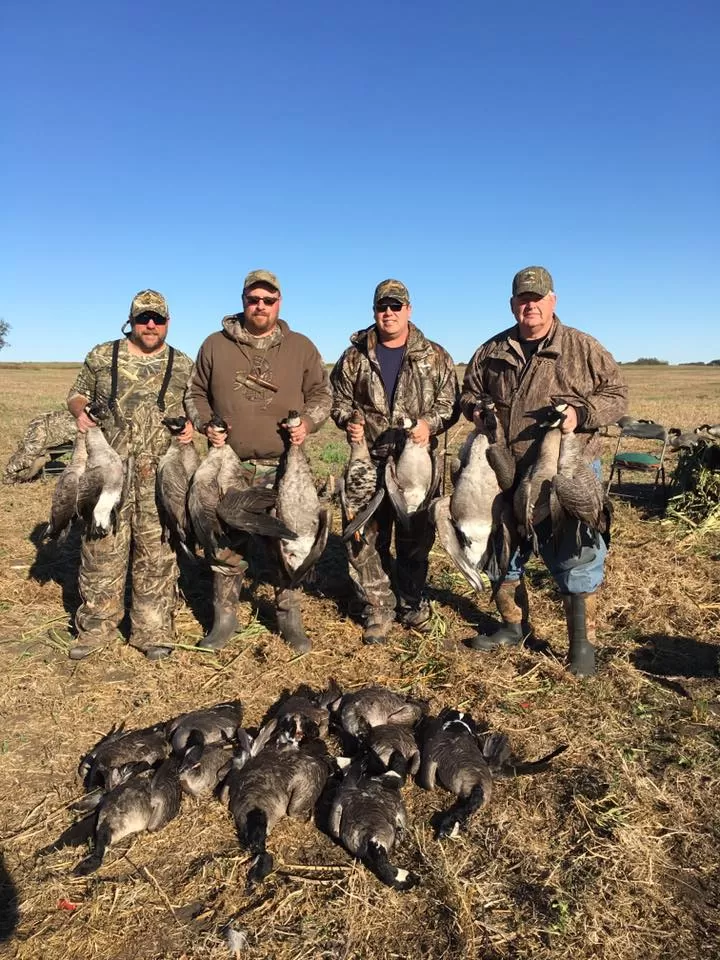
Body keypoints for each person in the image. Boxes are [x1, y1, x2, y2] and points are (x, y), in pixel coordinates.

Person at [460, 266, 628, 676]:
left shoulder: (581, 347)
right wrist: (476, 411)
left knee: (574, 551)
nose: (529, 304)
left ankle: (580, 646)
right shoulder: (492, 350)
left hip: (564, 469)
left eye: (537, 298)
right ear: (512, 303)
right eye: (522, 298)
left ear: (552, 301)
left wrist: (581, 413)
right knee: (503, 548)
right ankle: (513, 627)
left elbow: (618, 396)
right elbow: (467, 393)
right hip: (505, 467)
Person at [185, 269, 332, 654]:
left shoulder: (300, 346)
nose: (260, 306)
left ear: (279, 302)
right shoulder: (214, 345)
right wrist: (206, 424)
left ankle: (287, 614)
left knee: (287, 539)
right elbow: (195, 393)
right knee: (224, 543)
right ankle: (224, 618)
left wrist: (309, 423)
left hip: (283, 465)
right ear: (243, 301)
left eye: (268, 300)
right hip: (229, 463)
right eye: (254, 299)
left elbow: (322, 393)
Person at [66, 289, 195, 660]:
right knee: (100, 548)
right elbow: (75, 395)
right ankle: (95, 628)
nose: (150, 325)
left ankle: (151, 630)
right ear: (131, 321)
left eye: (157, 318)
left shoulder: (182, 363)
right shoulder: (102, 355)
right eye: (143, 318)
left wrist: (190, 429)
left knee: (157, 552)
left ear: (168, 322)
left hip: (158, 474)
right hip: (108, 473)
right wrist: (80, 412)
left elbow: (196, 409)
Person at [330, 279, 460, 644]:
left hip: (415, 461)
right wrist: (349, 421)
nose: (389, 313)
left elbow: (450, 405)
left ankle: (410, 603)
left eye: (396, 306)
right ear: (374, 311)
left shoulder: (434, 356)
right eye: (382, 307)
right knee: (365, 537)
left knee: (415, 536)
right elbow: (336, 400)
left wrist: (428, 424)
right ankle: (377, 607)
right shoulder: (354, 356)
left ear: (409, 310)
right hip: (368, 460)